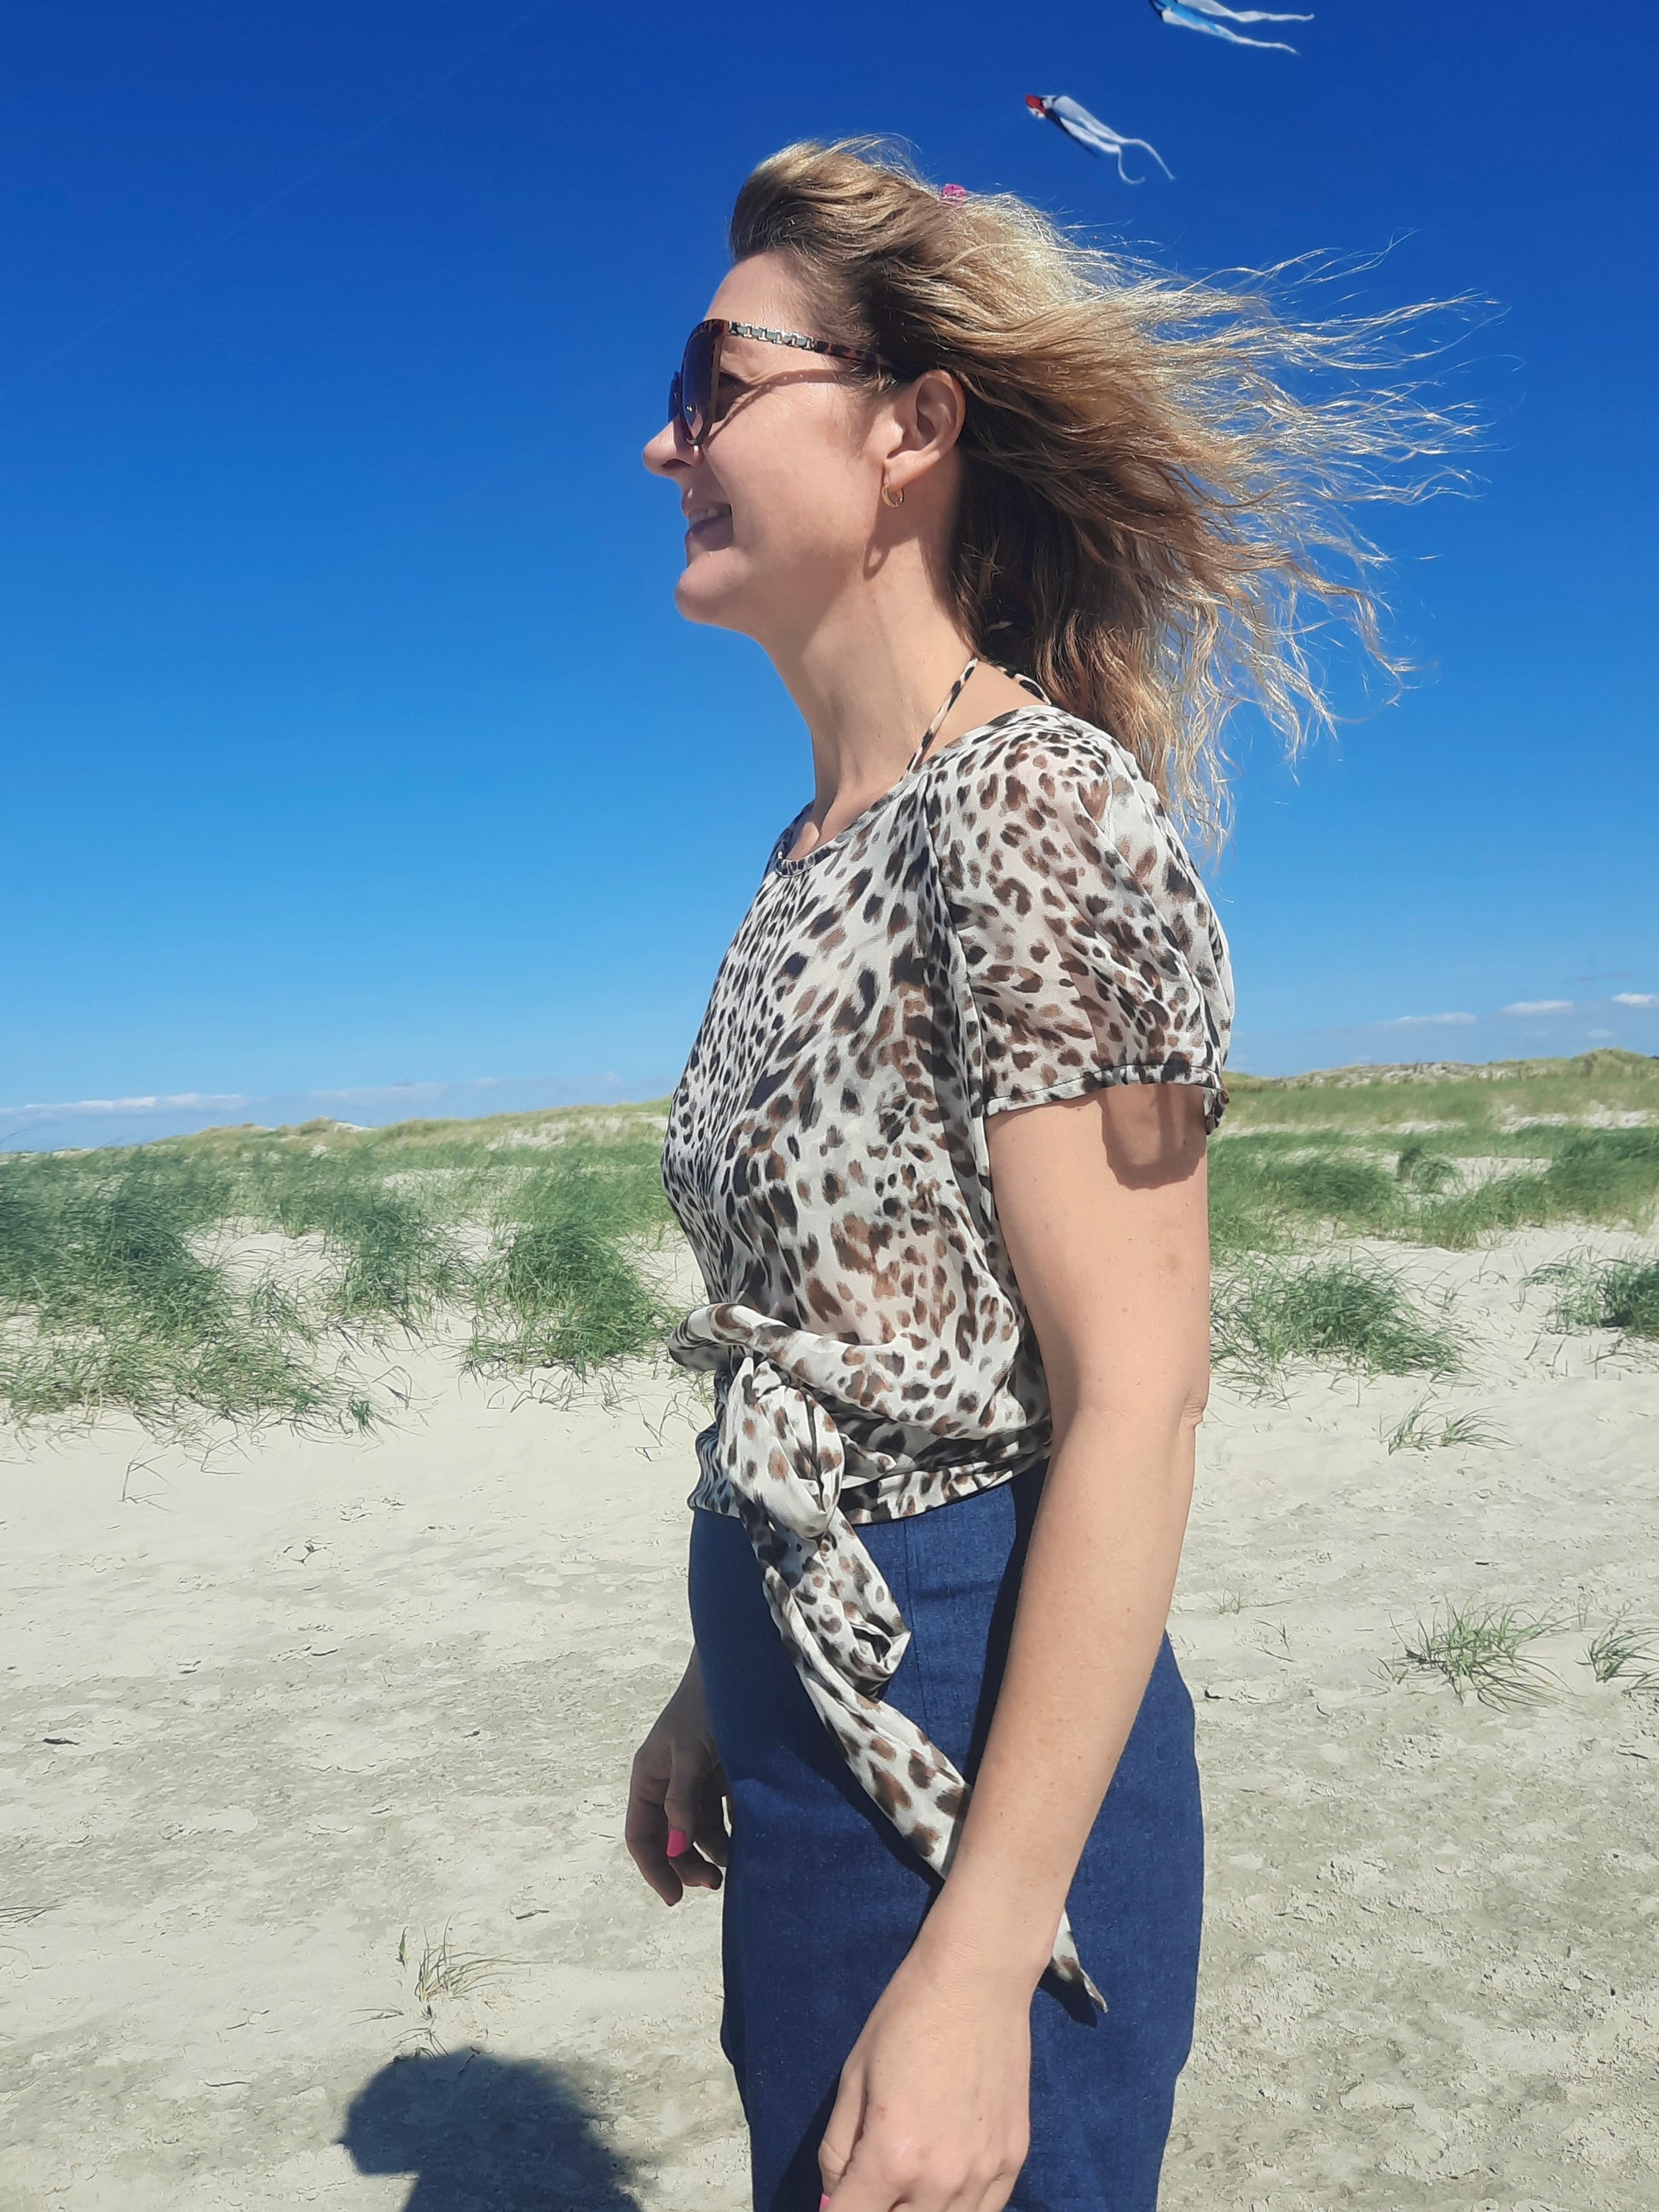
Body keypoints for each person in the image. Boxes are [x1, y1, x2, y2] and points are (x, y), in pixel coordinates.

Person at [626, 139, 1457, 2212]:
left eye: (716, 379)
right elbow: (858, 1340)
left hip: (978, 1728)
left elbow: (1136, 1396)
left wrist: (984, 1955)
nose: (665, 441)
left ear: (910, 425)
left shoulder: (1027, 809)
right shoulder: (813, 849)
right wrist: (716, 1679)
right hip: (808, 1703)